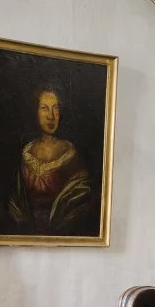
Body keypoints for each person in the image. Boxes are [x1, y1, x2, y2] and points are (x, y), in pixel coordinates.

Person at [5, 85, 96, 235]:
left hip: (64, 232)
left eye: (55, 108)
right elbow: (17, 201)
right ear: (35, 112)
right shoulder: (26, 153)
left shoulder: (70, 154)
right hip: (27, 234)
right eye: (44, 108)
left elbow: (80, 200)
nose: (51, 116)